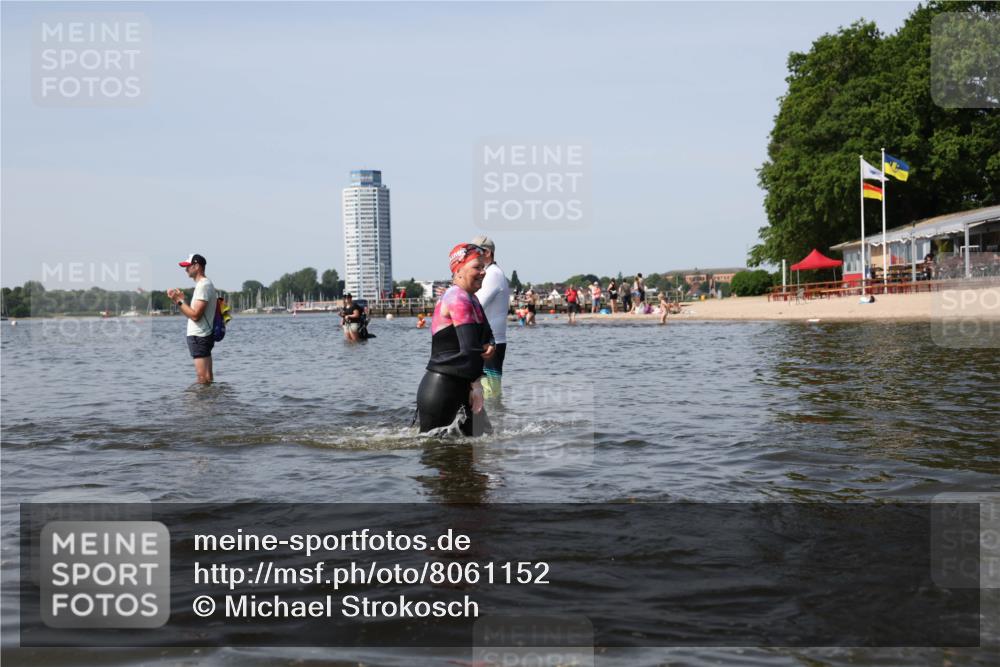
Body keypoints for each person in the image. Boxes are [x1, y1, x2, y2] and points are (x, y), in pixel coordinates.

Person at [416, 243, 496, 436]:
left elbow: (487, 334)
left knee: (483, 441)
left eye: (483, 267)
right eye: (477, 267)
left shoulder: (472, 299)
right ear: (458, 270)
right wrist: (476, 385)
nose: (483, 272)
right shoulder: (457, 298)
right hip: (443, 387)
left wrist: (491, 344)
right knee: (439, 450)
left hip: (463, 383)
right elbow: (469, 348)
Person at [472, 235, 511, 398]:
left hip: (491, 343)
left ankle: (495, 415)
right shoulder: (488, 273)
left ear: (487, 253)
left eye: (474, 252)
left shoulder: (493, 274)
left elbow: (477, 304)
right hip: (487, 341)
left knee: (489, 395)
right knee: (485, 392)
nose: (470, 256)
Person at [171, 253, 216, 384]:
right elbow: (192, 313)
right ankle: (210, 397)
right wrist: (181, 301)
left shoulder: (203, 285)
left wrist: (178, 301)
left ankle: (202, 398)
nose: (186, 269)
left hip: (199, 336)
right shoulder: (205, 284)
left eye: (188, 266)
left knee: (202, 378)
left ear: (196, 266)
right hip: (203, 335)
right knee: (207, 377)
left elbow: (195, 315)